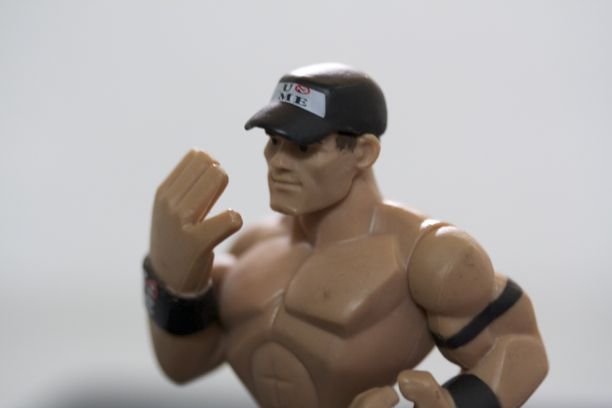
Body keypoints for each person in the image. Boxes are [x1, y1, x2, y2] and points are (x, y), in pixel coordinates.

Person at [143, 63, 548, 408]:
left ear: (363, 152)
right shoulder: (251, 246)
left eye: (303, 148)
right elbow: (184, 367)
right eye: (274, 142)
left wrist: (454, 404)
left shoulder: (426, 256)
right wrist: (171, 280)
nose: (277, 162)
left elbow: (520, 345)